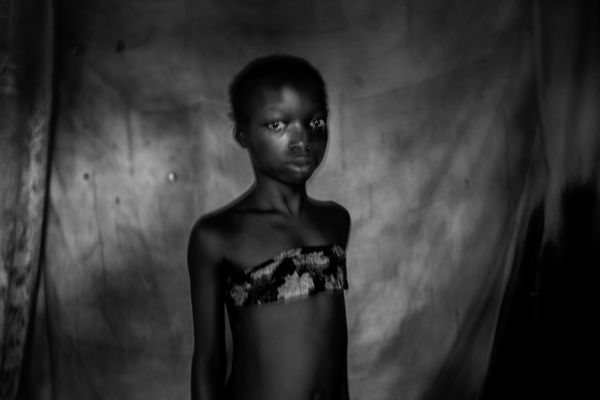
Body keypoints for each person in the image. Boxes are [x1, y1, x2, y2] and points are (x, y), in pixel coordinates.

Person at [188, 55, 351, 400]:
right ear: (242, 134)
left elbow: (336, 349)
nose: (303, 139)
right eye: (278, 125)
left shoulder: (335, 222)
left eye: (316, 122)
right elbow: (210, 362)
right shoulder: (217, 236)